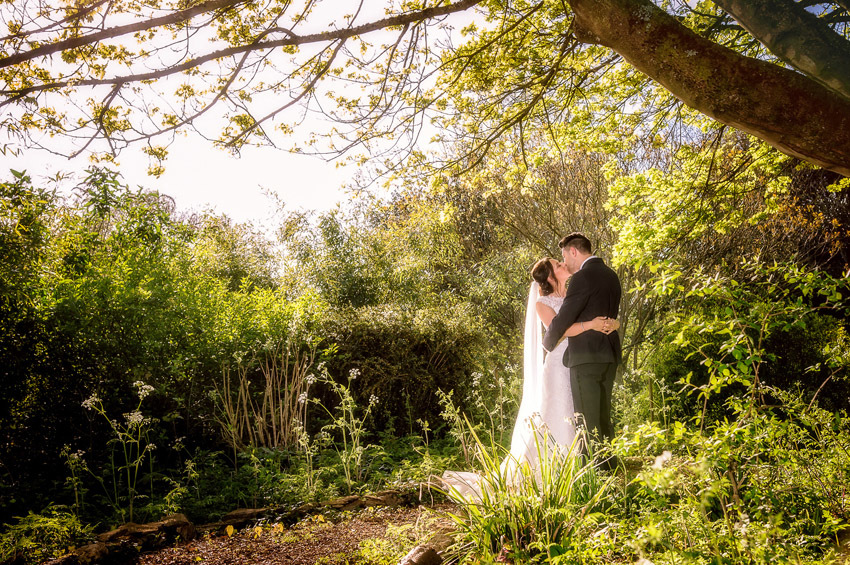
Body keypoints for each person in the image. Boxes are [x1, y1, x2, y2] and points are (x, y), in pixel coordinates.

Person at [441, 257, 617, 497]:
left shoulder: (574, 295)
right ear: (549, 277)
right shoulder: (542, 304)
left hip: (579, 362)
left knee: (577, 414)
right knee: (557, 412)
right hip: (558, 365)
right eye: (557, 265)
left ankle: (579, 469)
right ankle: (551, 473)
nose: (563, 264)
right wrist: (591, 325)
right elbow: (559, 332)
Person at [542, 233, 622, 466]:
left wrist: (547, 344)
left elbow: (565, 317)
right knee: (603, 414)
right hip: (608, 355)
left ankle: (592, 470)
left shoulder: (581, 278)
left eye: (564, 255)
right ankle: (609, 464)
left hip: (585, 357)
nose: (565, 261)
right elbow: (612, 316)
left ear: (573, 251)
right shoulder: (611, 275)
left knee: (585, 418)